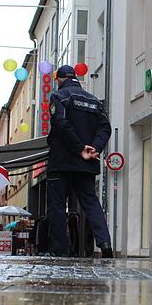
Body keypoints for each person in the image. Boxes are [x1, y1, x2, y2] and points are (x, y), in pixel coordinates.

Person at [46, 65, 113, 258]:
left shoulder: (60, 97)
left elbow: (60, 124)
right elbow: (105, 128)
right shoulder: (94, 101)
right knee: (91, 202)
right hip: (86, 163)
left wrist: (79, 148)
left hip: (62, 161)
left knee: (58, 205)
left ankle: (59, 251)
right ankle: (105, 242)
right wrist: (94, 147)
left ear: (59, 79)